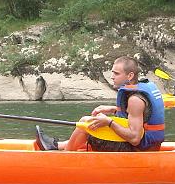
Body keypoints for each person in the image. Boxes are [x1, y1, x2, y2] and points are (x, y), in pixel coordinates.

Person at [35, 56, 166, 152]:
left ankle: (65, 156)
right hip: (147, 146)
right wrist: (113, 110)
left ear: (130, 75)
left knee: (87, 123)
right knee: (90, 123)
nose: (112, 76)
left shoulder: (135, 100)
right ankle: (58, 145)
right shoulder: (138, 93)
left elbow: (135, 138)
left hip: (140, 150)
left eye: (116, 73)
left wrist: (109, 122)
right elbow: (138, 116)